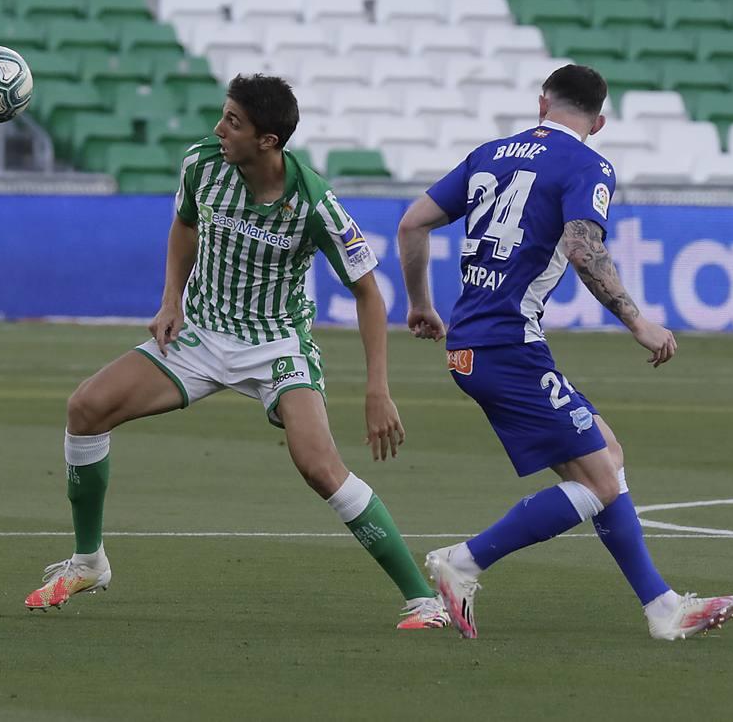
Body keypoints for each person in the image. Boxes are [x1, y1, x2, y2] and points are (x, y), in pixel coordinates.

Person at [24, 74, 450, 630]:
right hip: (201, 333)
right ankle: (88, 562)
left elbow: (368, 293)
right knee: (85, 409)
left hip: (276, 343)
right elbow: (184, 226)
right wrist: (170, 299)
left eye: (232, 122)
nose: (218, 129)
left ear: (268, 140)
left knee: (320, 468)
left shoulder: (315, 202)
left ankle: (424, 600)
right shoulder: (203, 164)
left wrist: (377, 389)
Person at [396, 64, 733, 641]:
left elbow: (411, 224)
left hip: (477, 343)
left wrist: (419, 305)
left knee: (606, 452)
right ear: (599, 122)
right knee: (601, 482)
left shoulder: (491, 153)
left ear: (542, 104)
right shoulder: (588, 165)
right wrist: (638, 322)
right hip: (508, 346)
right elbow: (584, 249)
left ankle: (661, 608)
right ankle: (463, 563)